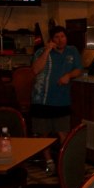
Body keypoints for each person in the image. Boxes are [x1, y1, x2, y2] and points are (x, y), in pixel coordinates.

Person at [31, 25, 83, 174]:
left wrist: (69, 75)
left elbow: (79, 69)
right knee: (44, 134)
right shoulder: (41, 52)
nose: (60, 40)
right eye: (56, 37)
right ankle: (49, 162)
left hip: (62, 99)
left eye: (63, 37)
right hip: (41, 98)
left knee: (63, 134)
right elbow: (35, 70)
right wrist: (47, 50)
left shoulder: (72, 51)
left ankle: (65, 163)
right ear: (51, 40)